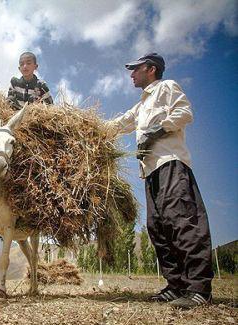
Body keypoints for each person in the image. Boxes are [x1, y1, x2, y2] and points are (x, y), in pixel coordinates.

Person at [106, 53, 213, 309]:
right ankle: (175, 286)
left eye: (136, 69)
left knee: (182, 221)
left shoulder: (167, 87)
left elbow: (185, 112)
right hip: (150, 171)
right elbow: (120, 123)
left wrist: (158, 130)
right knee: (158, 227)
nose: (132, 74)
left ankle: (199, 289)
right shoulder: (141, 105)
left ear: (151, 69)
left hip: (170, 163)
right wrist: (88, 127)